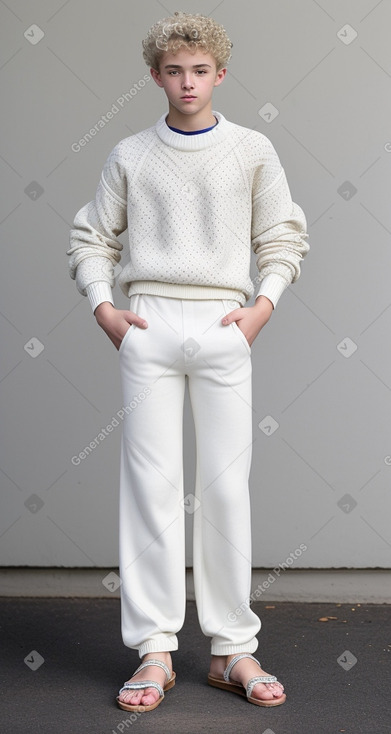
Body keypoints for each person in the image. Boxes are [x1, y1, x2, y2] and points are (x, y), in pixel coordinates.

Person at [67, 10, 309, 712]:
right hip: (147, 320)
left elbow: (282, 235)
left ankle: (232, 648)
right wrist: (103, 307)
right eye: (173, 70)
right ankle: (154, 650)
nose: (187, 82)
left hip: (224, 321)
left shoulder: (252, 149)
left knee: (226, 486)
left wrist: (260, 308)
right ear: (155, 76)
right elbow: (91, 238)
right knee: (149, 484)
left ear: (220, 73)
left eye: (199, 70)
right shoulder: (129, 154)